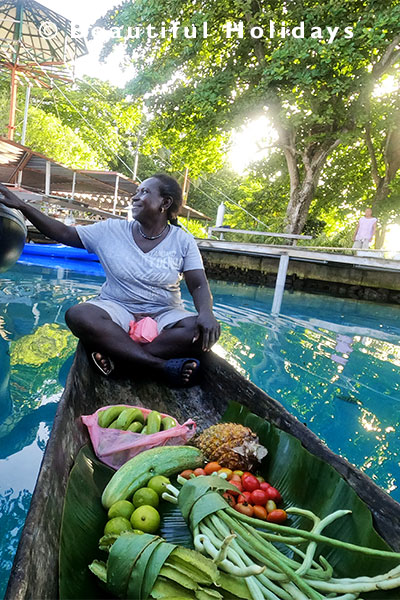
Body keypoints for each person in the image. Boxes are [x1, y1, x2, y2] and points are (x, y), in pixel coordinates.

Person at [0, 176, 221, 386]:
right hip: (117, 308)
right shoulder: (111, 230)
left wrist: (206, 313)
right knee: (78, 314)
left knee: (200, 330)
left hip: (164, 312)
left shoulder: (182, 240)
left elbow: (198, 284)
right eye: (136, 192)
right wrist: (24, 207)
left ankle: (121, 360)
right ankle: (156, 365)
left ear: (165, 202)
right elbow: (65, 233)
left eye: (144, 192)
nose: (134, 197)